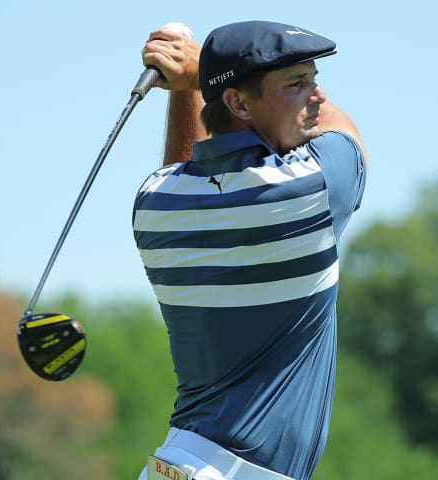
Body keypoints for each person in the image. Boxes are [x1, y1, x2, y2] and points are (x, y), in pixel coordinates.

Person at [133, 20, 367, 480]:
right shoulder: (313, 188)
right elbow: (344, 129)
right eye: (298, 84)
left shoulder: (154, 202)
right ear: (238, 102)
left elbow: (190, 171)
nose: (317, 96)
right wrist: (200, 72)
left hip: (177, 463)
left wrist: (191, 88)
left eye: (315, 80)